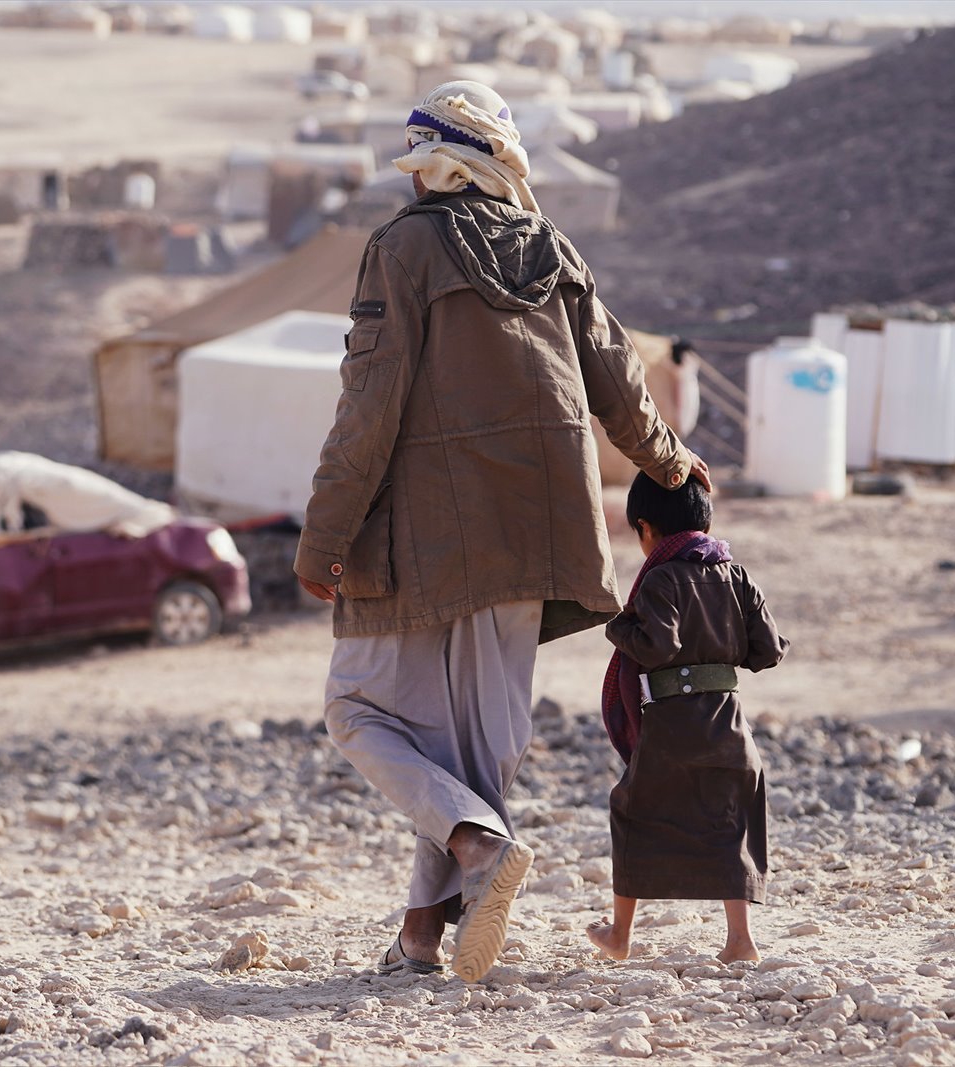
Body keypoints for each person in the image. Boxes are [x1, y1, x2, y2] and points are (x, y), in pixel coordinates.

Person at [293, 80, 711, 983]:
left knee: (356, 708)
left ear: (437, 167)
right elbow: (620, 383)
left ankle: (481, 849)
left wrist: (324, 535)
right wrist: (672, 462)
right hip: (541, 528)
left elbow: (368, 405)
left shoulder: (401, 250)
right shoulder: (554, 248)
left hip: (426, 536)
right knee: (475, 747)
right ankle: (420, 936)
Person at [588, 473, 788, 963]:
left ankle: (620, 935)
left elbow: (658, 646)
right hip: (730, 725)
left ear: (645, 528)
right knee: (731, 821)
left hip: (673, 727)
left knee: (632, 810)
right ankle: (740, 941)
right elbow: (768, 652)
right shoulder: (737, 576)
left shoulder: (659, 579)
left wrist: (618, 627)